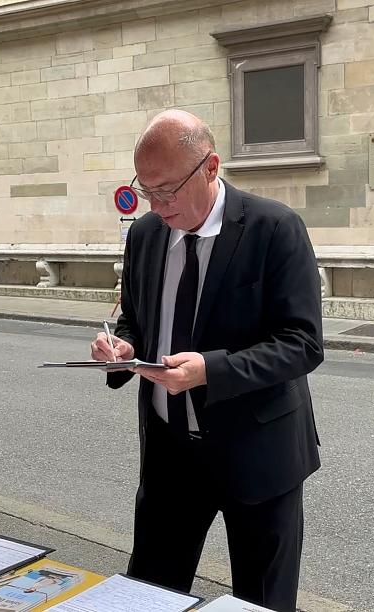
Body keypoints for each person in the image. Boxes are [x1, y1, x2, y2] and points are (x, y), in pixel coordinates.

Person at [91, 110, 322, 611]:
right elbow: (135, 320)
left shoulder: (274, 228)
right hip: (170, 453)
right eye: (146, 189)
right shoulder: (146, 235)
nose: (157, 204)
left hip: (257, 451)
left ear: (211, 166)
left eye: (168, 189)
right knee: (149, 590)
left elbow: (302, 343)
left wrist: (210, 371)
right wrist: (123, 348)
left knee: (259, 601)